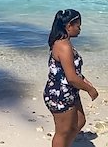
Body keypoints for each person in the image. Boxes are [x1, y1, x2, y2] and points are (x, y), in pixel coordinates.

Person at [43, 9, 99, 147]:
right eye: (78, 25)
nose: (80, 29)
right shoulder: (63, 46)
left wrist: (84, 80)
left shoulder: (65, 42)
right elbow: (72, 78)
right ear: (69, 26)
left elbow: (69, 69)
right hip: (59, 94)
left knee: (79, 122)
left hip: (70, 92)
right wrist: (90, 90)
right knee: (62, 132)